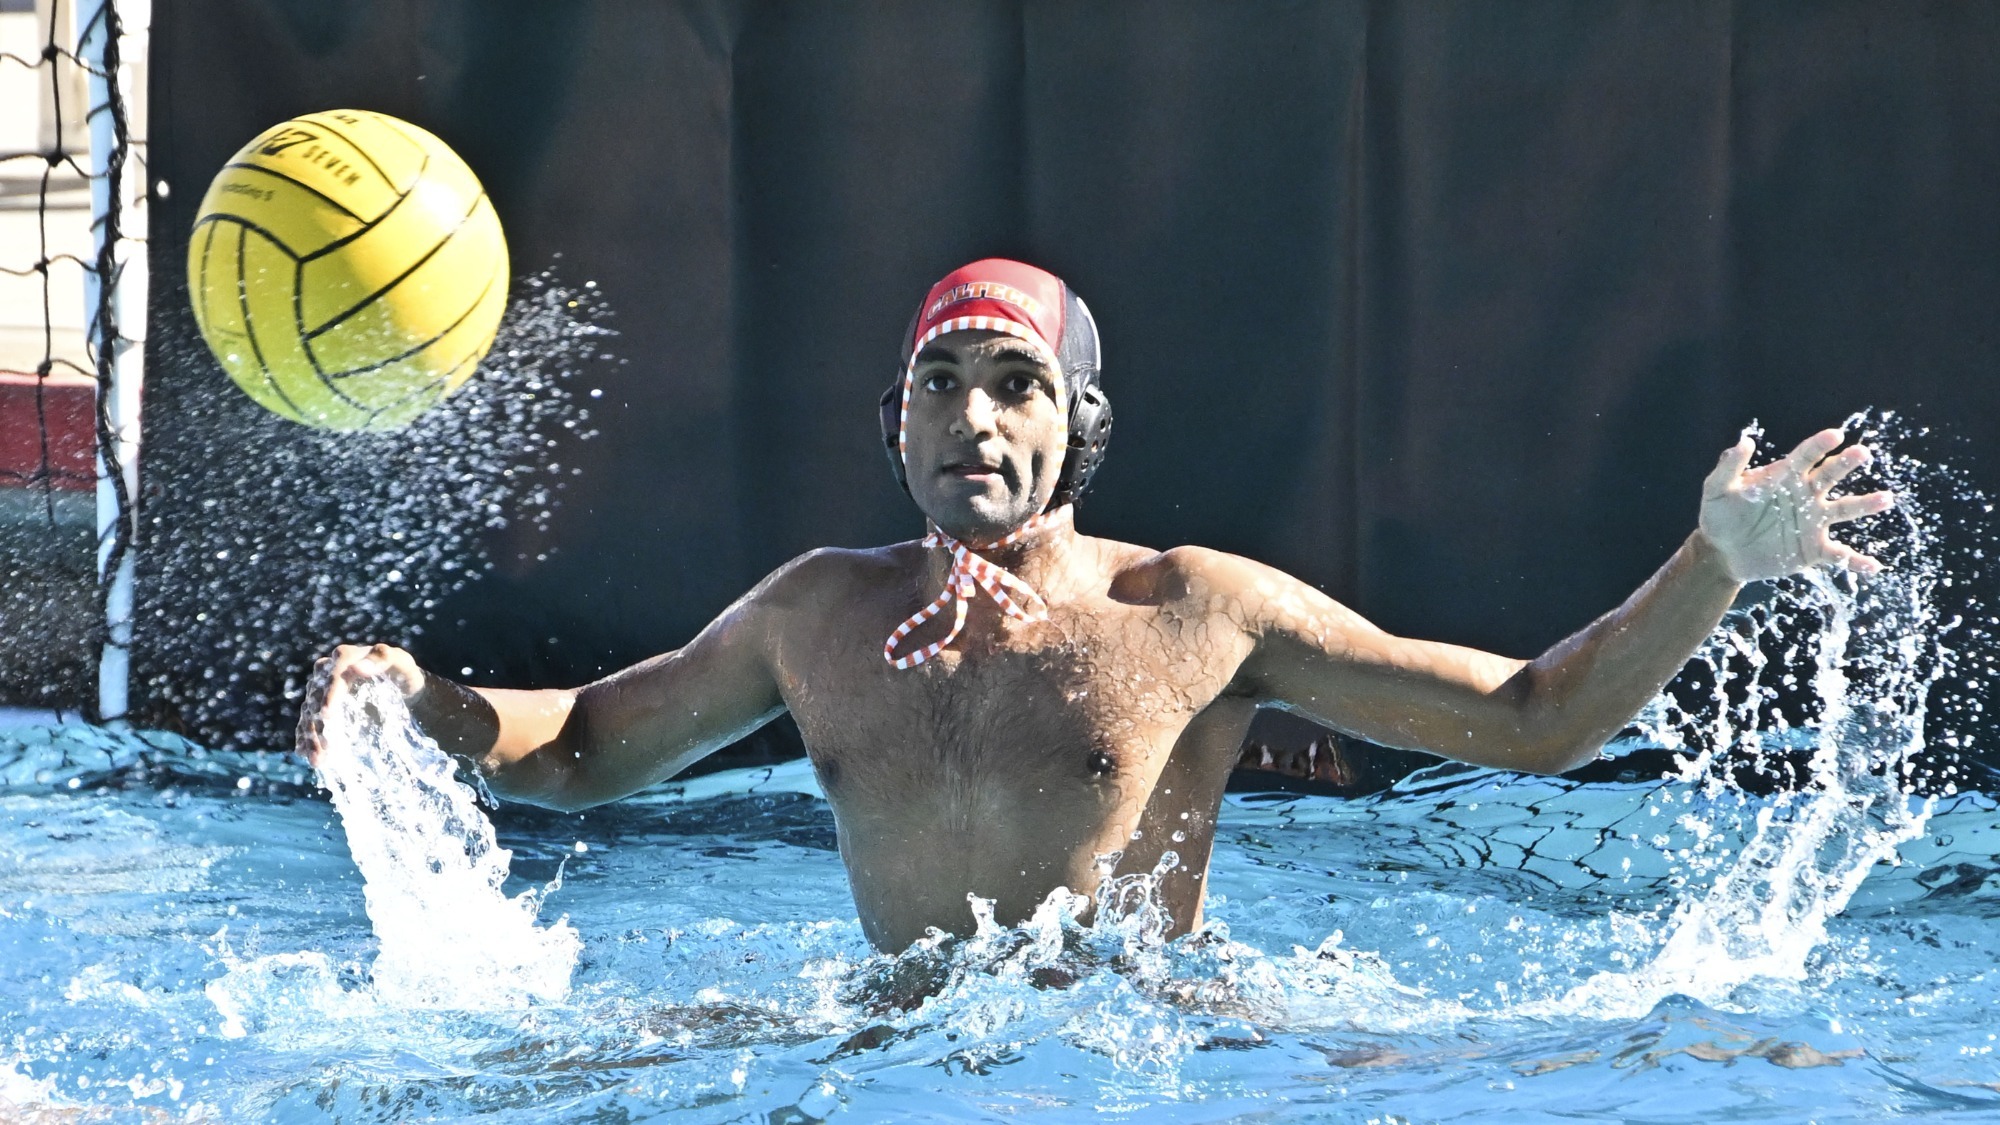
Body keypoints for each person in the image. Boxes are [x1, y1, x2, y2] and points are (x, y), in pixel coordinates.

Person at [301, 259, 1895, 953]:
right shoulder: (816, 616)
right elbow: (582, 748)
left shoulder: (1196, 612)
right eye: (942, 384)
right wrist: (424, 705)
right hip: (883, 1048)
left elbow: (1535, 718)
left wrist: (1717, 566)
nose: (977, 420)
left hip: (1145, 1064)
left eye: (1016, 385)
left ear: (1080, 428)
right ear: (895, 424)